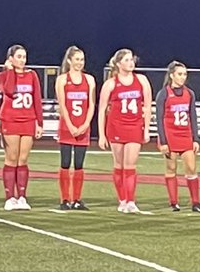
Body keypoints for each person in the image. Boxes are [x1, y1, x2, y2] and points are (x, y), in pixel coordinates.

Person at [98, 49, 152, 213]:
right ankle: (122, 199)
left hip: (135, 126)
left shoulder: (142, 80)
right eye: (127, 60)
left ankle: (131, 200)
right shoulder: (111, 84)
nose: (131, 63)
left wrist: (147, 129)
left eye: (131, 59)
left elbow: (148, 106)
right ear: (119, 63)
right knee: (119, 165)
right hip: (116, 127)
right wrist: (101, 135)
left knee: (130, 165)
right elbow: (101, 110)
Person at [0, 44, 43, 211]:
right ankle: (10, 197)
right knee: (11, 158)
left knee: (23, 159)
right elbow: (8, 91)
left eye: (24, 57)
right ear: (11, 59)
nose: (22, 60)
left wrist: (40, 122)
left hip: (28, 120)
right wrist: (10, 71)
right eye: (19, 57)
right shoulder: (3, 76)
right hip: (10, 120)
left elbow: (37, 99)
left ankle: (22, 196)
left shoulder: (32, 75)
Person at [155, 61, 200, 213]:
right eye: (179, 74)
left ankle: (196, 203)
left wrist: (195, 139)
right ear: (172, 75)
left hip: (185, 135)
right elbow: (159, 118)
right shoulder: (164, 94)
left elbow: (193, 116)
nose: (183, 77)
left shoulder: (189, 93)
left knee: (191, 168)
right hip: (170, 136)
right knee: (171, 168)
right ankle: (173, 202)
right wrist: (163, 142)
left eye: (184, 74)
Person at [55, 46, 95, 210]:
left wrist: (85, 124)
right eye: (77, 59)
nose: (80, 62)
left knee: (79, 163)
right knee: (65, 162)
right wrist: (71, 126)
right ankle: (65, 199)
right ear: (70, 60)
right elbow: (62, 104)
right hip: (67, 127)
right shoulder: (62, 79)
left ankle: (77, 199)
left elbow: (91, 105)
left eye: (82, 59)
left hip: (82, 126)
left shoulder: (89, 79)